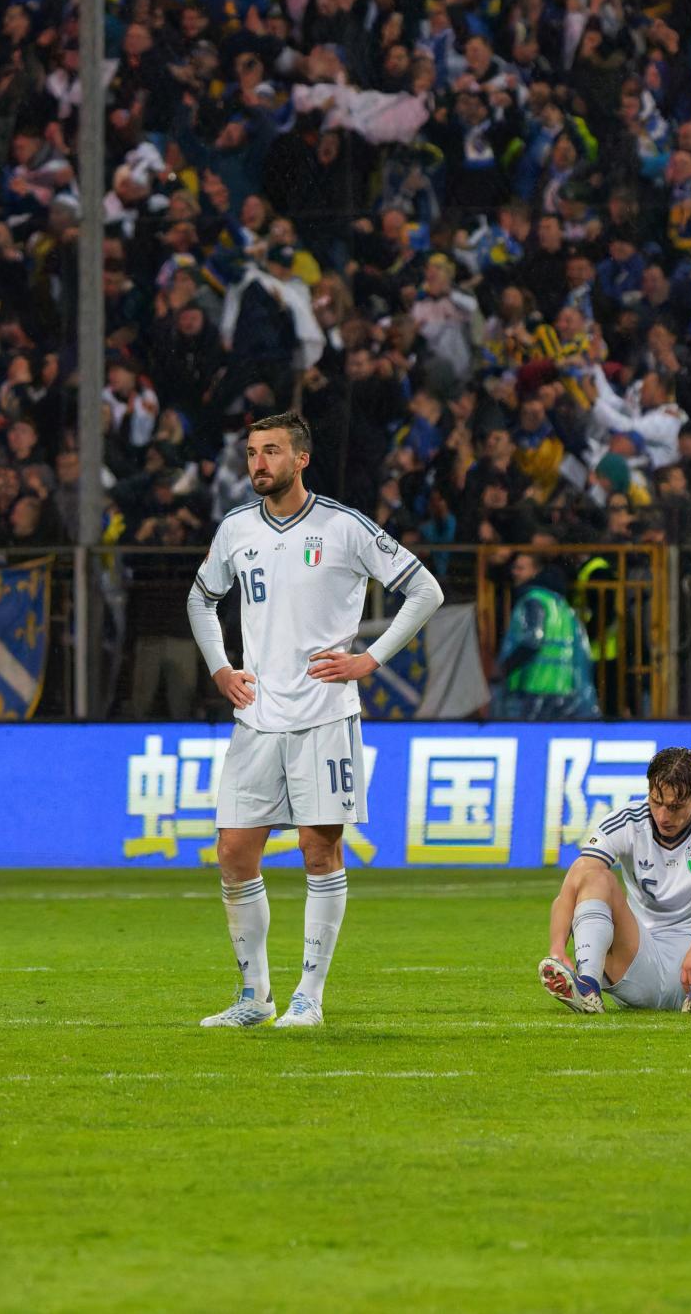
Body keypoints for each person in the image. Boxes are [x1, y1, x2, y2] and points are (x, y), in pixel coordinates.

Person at [185, 412, 445, 1029]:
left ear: (301, 459)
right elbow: (201, 599)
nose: (258, 463)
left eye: (270, 451)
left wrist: (370, 659)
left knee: (317, 848)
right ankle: (255, 998)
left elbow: (426, 590)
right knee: (233, 852)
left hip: (325, 715)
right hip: (257, 716)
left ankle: (309, 996)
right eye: (251, 452)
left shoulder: (344, 527)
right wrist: (221, 668)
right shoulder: (235, 530)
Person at [540, 747, 691, 1016]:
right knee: (594, 877)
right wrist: (556, 949)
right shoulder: (626, 822)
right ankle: (587, 986)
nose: (663, 816)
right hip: (642, 963)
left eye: (675, 807)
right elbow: (574, 883)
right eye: (656, 801)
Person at [493, 550, 599, 721]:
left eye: (520, 568)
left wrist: (504, 668)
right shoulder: (560, 604)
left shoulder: (533, 600)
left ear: (535, 571)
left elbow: (532, 641)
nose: (515, 573)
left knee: (528, 740)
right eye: (514, 568)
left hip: (534, 685)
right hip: (562, 686)